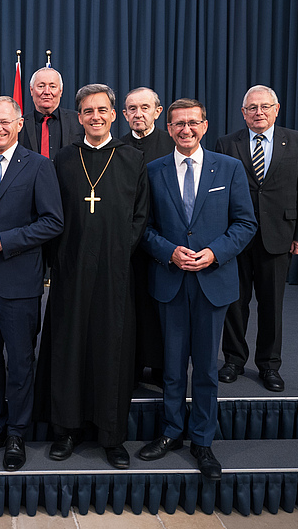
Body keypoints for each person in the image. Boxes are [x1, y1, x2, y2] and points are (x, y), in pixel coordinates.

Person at [137, 99, 256, 480]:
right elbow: (143, 228)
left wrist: (213, 253)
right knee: (172, 367)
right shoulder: (152, 170)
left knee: (205, 367)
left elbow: (244, 224)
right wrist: (169, 252)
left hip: (212, 281)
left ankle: (203, 440)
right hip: (170, 281)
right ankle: (172, 432)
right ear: (167, 128)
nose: (185, 129)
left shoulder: (231, 168)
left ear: (205, 126)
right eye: (178, 124)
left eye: (192, 123)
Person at [35, 84, 148, 469]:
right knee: (69, 349)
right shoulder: (63, 159)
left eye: (102, 110)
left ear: (114, 115)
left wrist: (117, 254)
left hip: (116, 275)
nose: (95, 117)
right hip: (70, 272)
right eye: (87, 111)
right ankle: (65, 429)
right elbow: (49, 214)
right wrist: (61, 261)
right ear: (78, 117)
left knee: (112, 351)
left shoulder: (132, 159)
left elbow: (140, 217)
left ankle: (111, 435)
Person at [0, 96, 63, 471]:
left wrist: (7, 240)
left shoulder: (39, 166)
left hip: (18, 282)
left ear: (20, 124)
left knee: (19, 361)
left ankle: (17, 432)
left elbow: (53, 222)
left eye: (4, 122)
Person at [215, 85, 298, 392]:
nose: (258, 112)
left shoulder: (297, 141)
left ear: (276, 108)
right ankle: (233, 360)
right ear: (243, 113)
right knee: (235, 303)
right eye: (252, 108)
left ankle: (269, 366)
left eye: (264, 107)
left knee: (271, 305)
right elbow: (217, 194)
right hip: (235, 237)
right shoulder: (226, 143)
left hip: (279, 236)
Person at [119, 87, 175, 384]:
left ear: (158, 111)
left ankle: (163, 367)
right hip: (129, 243)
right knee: (133, 306)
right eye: (131, 108)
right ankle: (134, 362)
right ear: (124, 114)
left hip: (164, 242)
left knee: (162, 309)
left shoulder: (172, 145)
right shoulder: (117, 147)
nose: (138, 114)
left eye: (144, 107)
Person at [19, 67, 84, 160]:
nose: (47, 92)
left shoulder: (78, 121)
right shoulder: (19, 125)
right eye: (41, 86)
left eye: (52, 86)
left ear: (60, 91)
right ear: (31, 90)